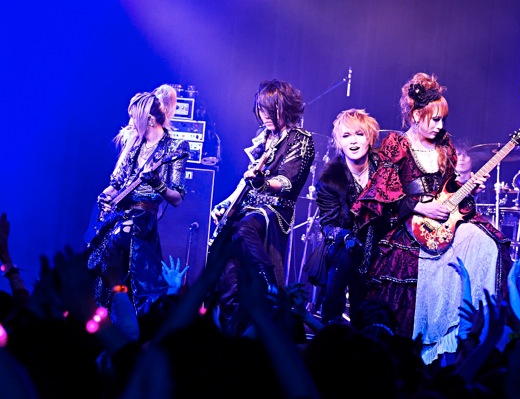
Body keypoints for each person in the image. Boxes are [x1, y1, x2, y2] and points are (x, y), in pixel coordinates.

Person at [352, 72, 512, 365]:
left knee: (487, 242)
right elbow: (383, 192)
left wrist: (469, 189)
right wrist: (419, 208)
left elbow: (449, 189)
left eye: (443, 120)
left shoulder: (445, 146)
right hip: (409, 227)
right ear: (416, 115)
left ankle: (472, 331)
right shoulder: (397, 144)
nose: (440, 126)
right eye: (434, 119)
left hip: (445, 223)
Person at [209, 79, 315, 335]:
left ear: (284, 107)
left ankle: (270, 287)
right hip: (247, 209)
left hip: (274, 212)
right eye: (261, 109)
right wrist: (225, 204)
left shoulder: (300, 139)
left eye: (269, 109)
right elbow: (245, 182)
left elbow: (287, 181)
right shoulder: (263, 138)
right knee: (227, 268)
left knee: (244, 228)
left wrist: (263, 183)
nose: (264, 115)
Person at [87, 90, 190, 316]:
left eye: (134, 117)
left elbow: (177, 198)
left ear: (150, 120)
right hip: (120, 213)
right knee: (96, 249)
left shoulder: (175, 147)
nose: (131, 122)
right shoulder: (134, 144)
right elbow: (116, 184)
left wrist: (157, 184)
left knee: (119, 238)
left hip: (143, 218)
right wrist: (104, 199)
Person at [314, 108, 386, 324]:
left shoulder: (384, 169)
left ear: (370, 138)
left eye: (359, 134)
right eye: (346, 136)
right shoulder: (330, 180)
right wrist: (346, 237)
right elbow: (327, 224)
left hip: (380, 243)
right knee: (343, 259)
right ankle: (331, 326)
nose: (353, 141)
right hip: (346, 245)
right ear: (339, 142)